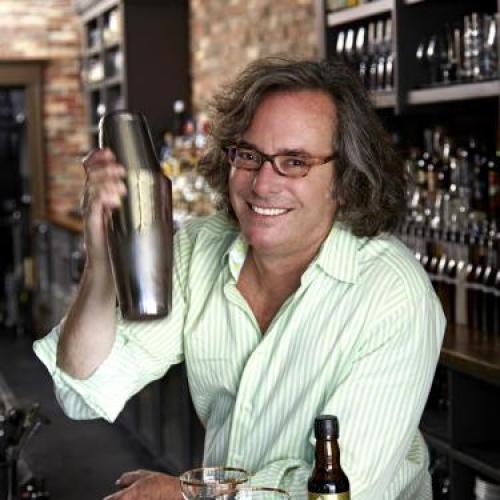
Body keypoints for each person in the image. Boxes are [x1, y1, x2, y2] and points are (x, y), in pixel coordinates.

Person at [34, 57, 445, 500]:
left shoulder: (392, 292)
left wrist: (190, 494)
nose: (263, 184)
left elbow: (345, 488)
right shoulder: (201, 249)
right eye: (249, 155)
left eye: (294, 162)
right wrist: (101, 262)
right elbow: (85, 385)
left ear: (345, 180)